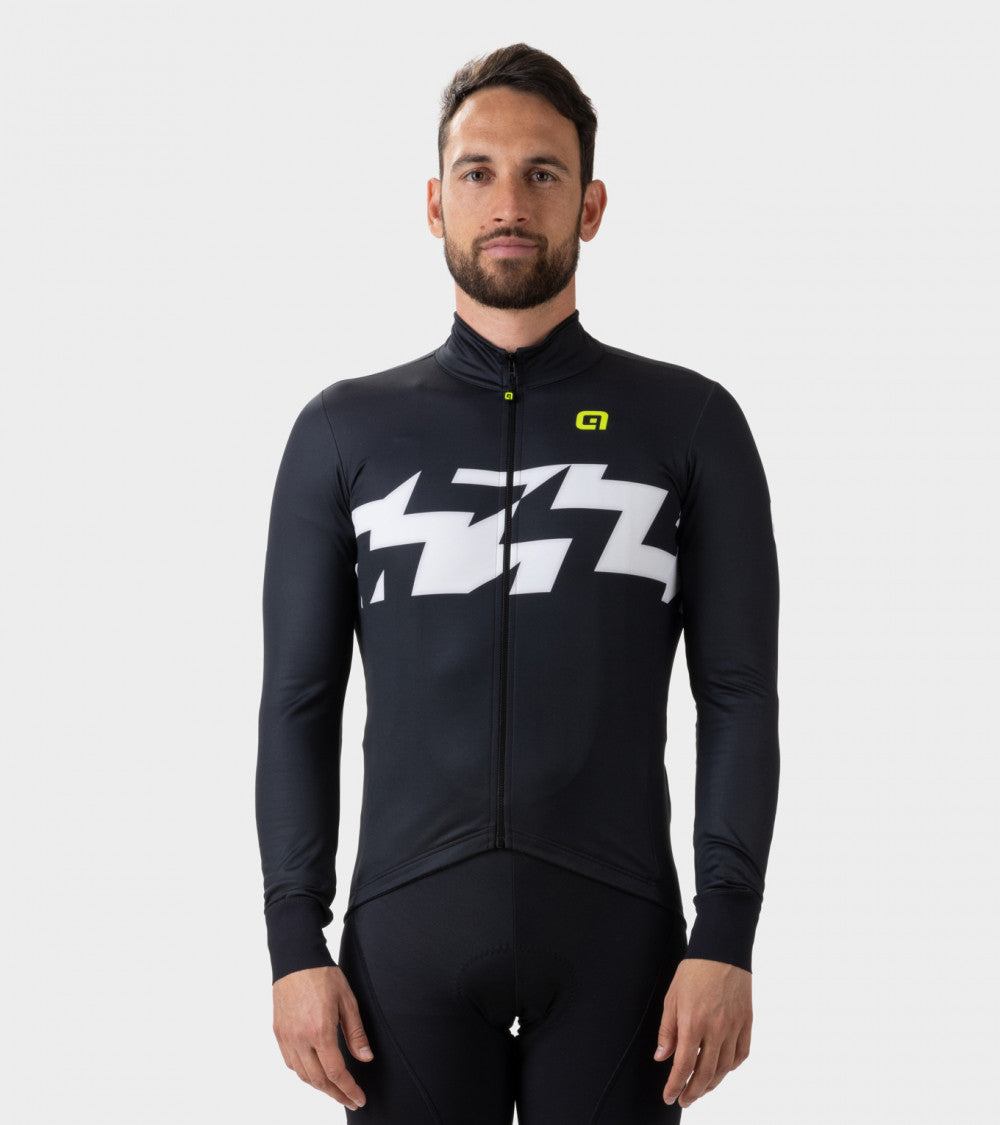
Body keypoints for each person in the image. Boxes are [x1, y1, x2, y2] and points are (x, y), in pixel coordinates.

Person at [255, 42, 780, 1123]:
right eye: (478, 171)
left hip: (622, 944)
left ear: (590, 205)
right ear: (434, 202)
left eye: (542, 172)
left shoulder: (688, 422)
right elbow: (299, 701)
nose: (508, 202)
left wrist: (726, 936)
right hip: (404, 941)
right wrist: (292, 942)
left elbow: (737, 694)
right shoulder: (343, 431)